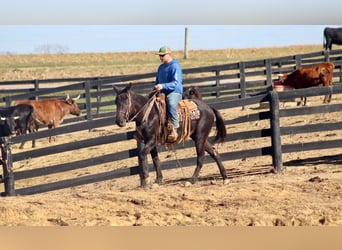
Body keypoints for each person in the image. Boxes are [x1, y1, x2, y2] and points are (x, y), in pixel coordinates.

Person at [153, 45, 183, 142]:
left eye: (162, 55)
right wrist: (156, 87)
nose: (161, 57)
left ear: (169, 55)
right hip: (162, 91)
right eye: (160, 56)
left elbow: (176, 82)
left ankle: (174, 128)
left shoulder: (174, 66)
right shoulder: (161, 67)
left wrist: (163, 86)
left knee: (171, 104)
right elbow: (157, 81)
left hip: (174, 91)